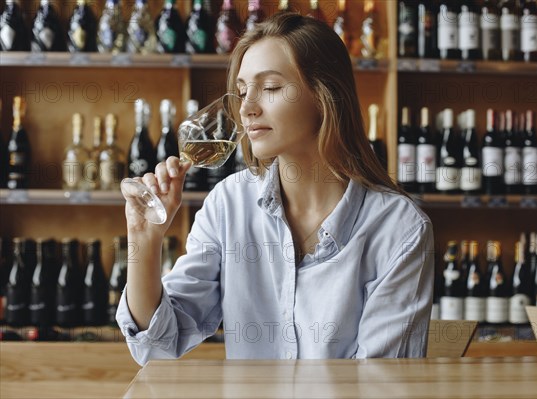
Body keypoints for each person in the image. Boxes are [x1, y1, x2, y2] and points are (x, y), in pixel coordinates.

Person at [117, 12, 434, 365]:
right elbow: (156, 347)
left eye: (269, 88)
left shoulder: (398, 229)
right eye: (241, 92)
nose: (247, 108)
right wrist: (144, 241)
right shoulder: (228, 205)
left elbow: (379, 383)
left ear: (324, 95)